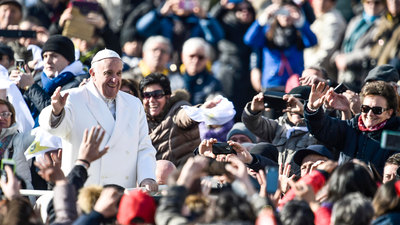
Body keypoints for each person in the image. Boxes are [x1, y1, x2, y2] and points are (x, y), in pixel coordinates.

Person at [38, 49, 158, 190]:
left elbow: (143, 147)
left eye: (118, 73)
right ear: (93, 74)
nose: (115, 80)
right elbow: (56, 129)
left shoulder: (133, 103)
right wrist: (56, 111)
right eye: (108, 73)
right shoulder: (72, 97)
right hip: (85, 192)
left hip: (123, 191)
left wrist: (147, 178)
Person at [305, 80, 400, 173]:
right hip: (344, 187)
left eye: (377, 110)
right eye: (365, 108)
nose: (370, 114)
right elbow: (321, 128)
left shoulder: (396, 136)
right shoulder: (351, 127)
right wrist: (312, 109)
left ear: (389, 113)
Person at [9, 35, 89, 123]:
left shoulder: (79, 83)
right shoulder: (37, 79)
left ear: (68, 60)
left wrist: (30, 86)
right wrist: (15, 89)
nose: (47, 61)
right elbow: (18, 113)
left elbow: (55, 115)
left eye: (54, 56)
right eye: (45, 56)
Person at [242, 85, 319, 175]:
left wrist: (306, 112)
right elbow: (254, 125)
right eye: (291, 103)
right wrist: (253, 110)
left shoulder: (319, 129)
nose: (295, 108)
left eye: (301, 103)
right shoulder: (279, 126)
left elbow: (331, 131)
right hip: (276, 179)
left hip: (303, 183)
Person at [243, 0, 317, 92]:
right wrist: (263, 18)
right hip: (272, 81)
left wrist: (300, 22)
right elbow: (249, 40)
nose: (286, 17)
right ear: (276, 15)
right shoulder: (268, 31)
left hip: (294, 82)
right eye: (282, 12)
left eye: (289, 13)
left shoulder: (299, 32)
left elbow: (312, 41)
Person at [139, 73, 200, 167]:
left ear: (167, 97)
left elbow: (185, 115)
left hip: (181, 177)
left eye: (157, 95)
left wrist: (203, 111)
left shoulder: (177, 110)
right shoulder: (139, 121)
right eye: (147, 95)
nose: (151, 100)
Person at [332, 0, 386, 92]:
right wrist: (337, 57)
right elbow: (344, 43)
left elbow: (375, 50)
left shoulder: (384, 24)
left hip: (363, 76)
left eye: (377, 3)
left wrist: (348, 59)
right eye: (368, 2)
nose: (372, 6)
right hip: (344, 75)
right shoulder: (355, 20)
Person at [304, 0, 346, 79]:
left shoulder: (333, 20)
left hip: (321, 74)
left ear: (333, 2)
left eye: (326, 0)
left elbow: (327, 51)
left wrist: (309, 68)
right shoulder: (320, 16)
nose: (321, 3)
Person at [0, 99, 34, 190]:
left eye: (5, 114)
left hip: (19, 199)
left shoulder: (22, 139)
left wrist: (56, 114)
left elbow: (43, 132)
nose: (1, 118)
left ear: (12, 117)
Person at [181, 37, 223, 105]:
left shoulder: (213, 84)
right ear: (183, 57)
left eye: (201, 57)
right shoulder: (172, 81)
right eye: (192, 56)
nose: (196, 60)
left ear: (207, 59)